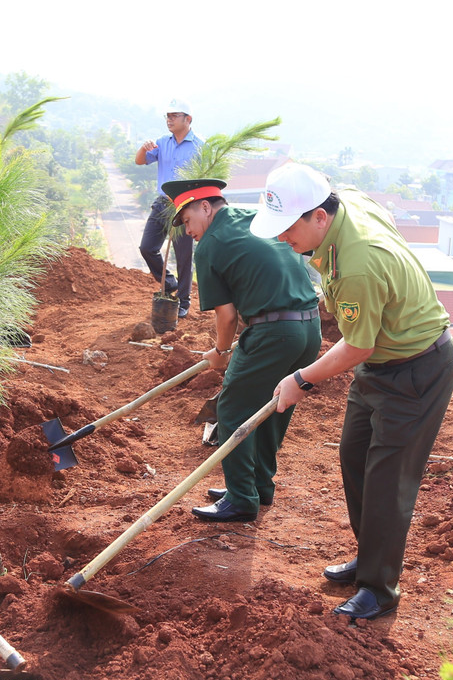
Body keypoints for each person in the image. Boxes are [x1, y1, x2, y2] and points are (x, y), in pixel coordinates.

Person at [251, 164, 453, 621]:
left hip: (417, 367)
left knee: (388, 478)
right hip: (382, 363)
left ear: (318, 218)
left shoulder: (358, 266)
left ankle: (379, 589)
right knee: (354, 455)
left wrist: (301, 379)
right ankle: (371, 557)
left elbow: (358, 344)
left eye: (288, 228)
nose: (284, 238)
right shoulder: (342, 203)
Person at [163, 177, 322, 523]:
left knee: (233, 407)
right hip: (309, 326)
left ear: (205, 207)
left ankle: (240, 498)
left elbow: (228, 314)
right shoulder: (257, 216)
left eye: (187, 220)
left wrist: (219, 354)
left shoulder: (209, 245)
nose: (187, 230)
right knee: (272, 407)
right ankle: (257, 486)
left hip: (273, 331)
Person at [135, 99, 203, 317]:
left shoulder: (201, 146)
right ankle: (169, 282)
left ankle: (184, 301)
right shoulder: (162, 142)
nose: (169, 120)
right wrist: (143, 148)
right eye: (168, 116)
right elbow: (140, 162)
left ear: (188, 119)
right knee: (147, 247)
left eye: (174, 115)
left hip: (186, 206)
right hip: (163, 203)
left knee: (183, 256)